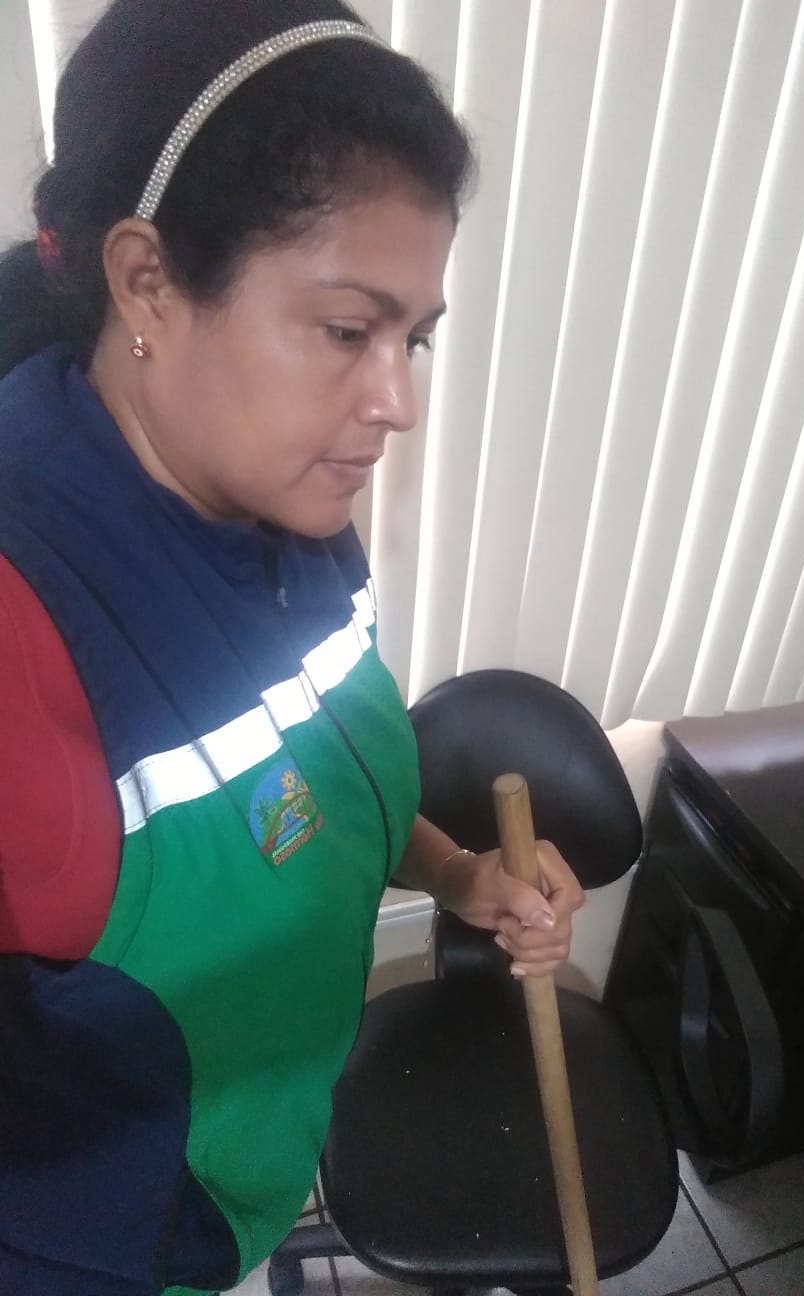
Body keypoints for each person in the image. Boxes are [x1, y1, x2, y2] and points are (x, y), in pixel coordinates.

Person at [0, 4, 585, 1294]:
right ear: (147, 281)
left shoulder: (284, 502)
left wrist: (457, 872)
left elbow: (302, 785)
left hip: (256, 1147)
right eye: (346, 330)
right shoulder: (24, 640)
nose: (399, 401)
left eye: (412, 336)